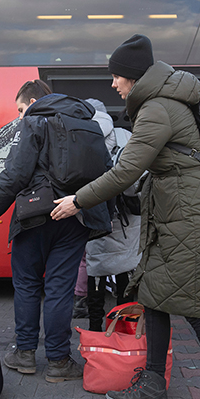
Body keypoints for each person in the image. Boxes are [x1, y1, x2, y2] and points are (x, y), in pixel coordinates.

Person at [52, 34, 200, 399]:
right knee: (155, 295)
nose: (113, 84)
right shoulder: (160, 104)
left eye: (116, 76)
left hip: (189, 215)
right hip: (175, 210)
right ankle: (152, 385)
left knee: (195, 305)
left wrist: (78, 200)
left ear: (132, 76)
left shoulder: (157, 109)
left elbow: (126, 170)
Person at [0, 80, 111, 383]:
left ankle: (24, 354)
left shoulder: (34, 122)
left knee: (27, 285)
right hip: (75, 216)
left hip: (35, 215)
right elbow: (107, 173)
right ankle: (59, 360)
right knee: (60, 289)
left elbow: (15, 174)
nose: (20, 115)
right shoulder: (90, 125)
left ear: (33, 102)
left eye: (21, 108)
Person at [83, 98, 139, 331]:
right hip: (129, 218)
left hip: (98, 214)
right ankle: (125, 333)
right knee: (127, 272)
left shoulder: (82, 137)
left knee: (96, 273)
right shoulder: (126, 135)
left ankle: (95, 332)